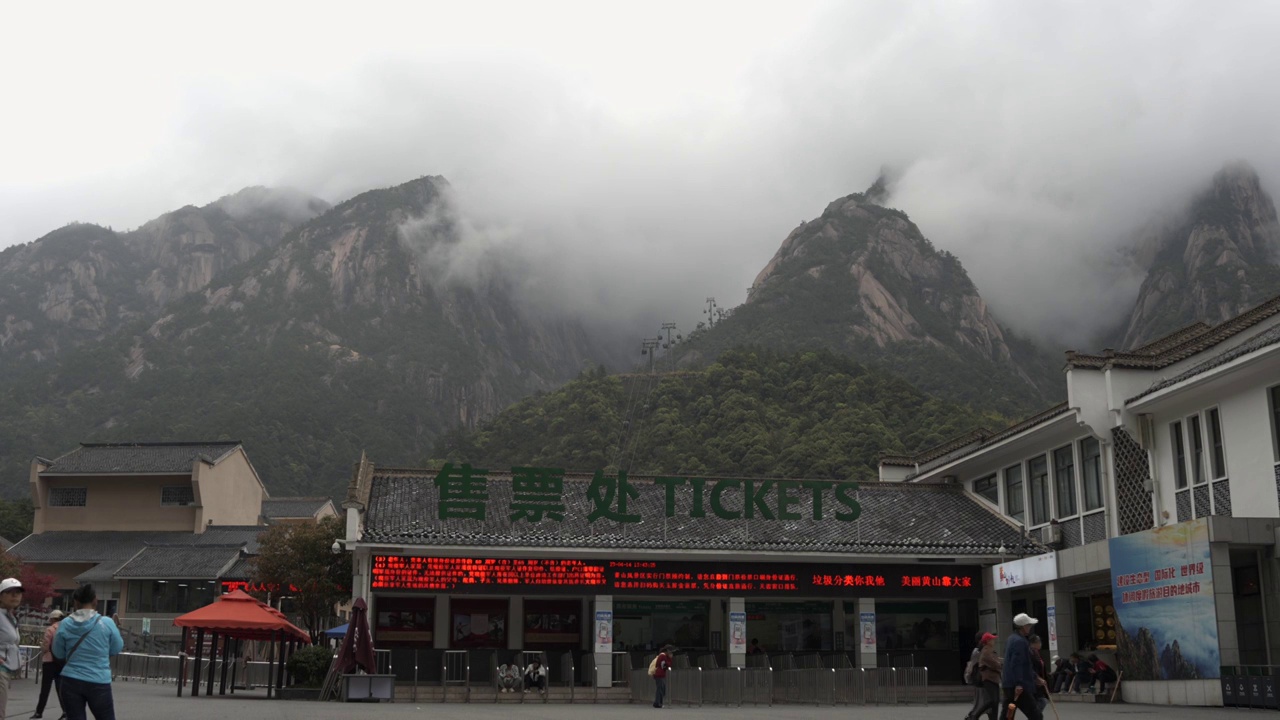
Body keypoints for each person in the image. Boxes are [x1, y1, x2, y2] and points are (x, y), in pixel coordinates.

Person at [53, 585, 124, 720]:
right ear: (95, 601)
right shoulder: (106, 623)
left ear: (75, 602)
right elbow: (117, 647)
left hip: (70, 680)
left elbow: (58, 652)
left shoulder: (65, 624)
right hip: (99, 680)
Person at [1001, 613, 1045, 720]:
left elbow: (1019, 663)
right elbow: (1018, 664)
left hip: (1009, 683)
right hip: (1019, 686)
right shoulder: (1020, 642)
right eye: (1029, 625)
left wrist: (1035, 677)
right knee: (1036, 715)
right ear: (1023, 626)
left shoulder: (1011, 639)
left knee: (1007, 715)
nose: (1030, 627)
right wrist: (1019, 684)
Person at [33, 609, 67, 719]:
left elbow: (46, 646)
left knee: (45, 688)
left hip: (49, 661)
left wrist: (42, 648)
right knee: (60, 687)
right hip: (61, 662)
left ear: (52, 619)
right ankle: (65, 711)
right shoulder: (66, 629)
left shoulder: (50, 629)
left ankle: (39, 712)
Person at [0, 578, 24, 719]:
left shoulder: (10, 616)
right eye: (10, 592)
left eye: (18, 592)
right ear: (1, 595)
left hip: (7, 669)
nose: (15, 596)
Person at [967, 632, 1001, 720]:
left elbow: (996, 661)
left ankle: (975, 716)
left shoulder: (989, 650)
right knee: (988, 701)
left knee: (993, 701)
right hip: (985, 679)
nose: (994, 641)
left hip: (991, 678)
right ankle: (973, 716)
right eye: (992, 639)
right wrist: (1000, 664)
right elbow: (994, 663)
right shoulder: (982, 651)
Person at [1029, 635, 1049, 714]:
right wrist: (1037, 678)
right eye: (1039, 642)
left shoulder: (1036, 653)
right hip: (1034, 682)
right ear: (1034, 643)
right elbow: (1031, 668)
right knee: (1041, 701)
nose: (1040, 644)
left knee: (1041, 701)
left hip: (1039, 682)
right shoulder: (1030, 653)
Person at [652, 644, 674, 708]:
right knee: (660, 689)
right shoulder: (663, 656)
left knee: (661, 688)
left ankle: (658, 702)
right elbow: (664, 665)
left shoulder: (662, 656)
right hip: (660, 674)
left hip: (660, 674)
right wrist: (669, 659)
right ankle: (658, 703)